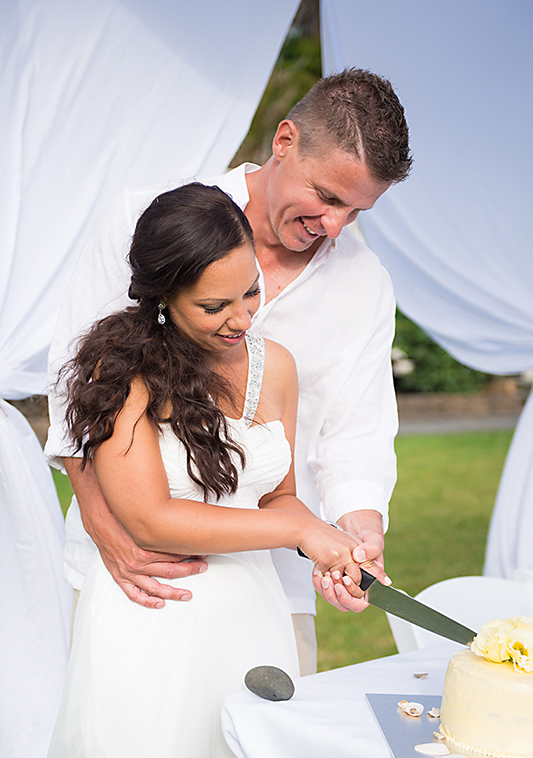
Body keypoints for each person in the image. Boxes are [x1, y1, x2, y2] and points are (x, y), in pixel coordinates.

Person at [29, 183, 365, 758]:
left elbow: (278, 495)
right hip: (155, 618)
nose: (240, 317)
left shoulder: (277, 369)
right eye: (215, 306)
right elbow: (150, 516)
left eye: (249, 294)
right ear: (161, 299)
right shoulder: (119, 372)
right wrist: (297, 529)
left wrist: (322, 548)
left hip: (250, 620)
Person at [44, 68, 413, 675]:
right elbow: (75, 387)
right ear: (286, 140)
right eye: (327, 196)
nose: (336, 226)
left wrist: (361, 537)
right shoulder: (145, 219)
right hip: (136, 574)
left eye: (356, 210)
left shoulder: (365, 283)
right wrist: (106, 525)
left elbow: (357, 436)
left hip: (274, 582)